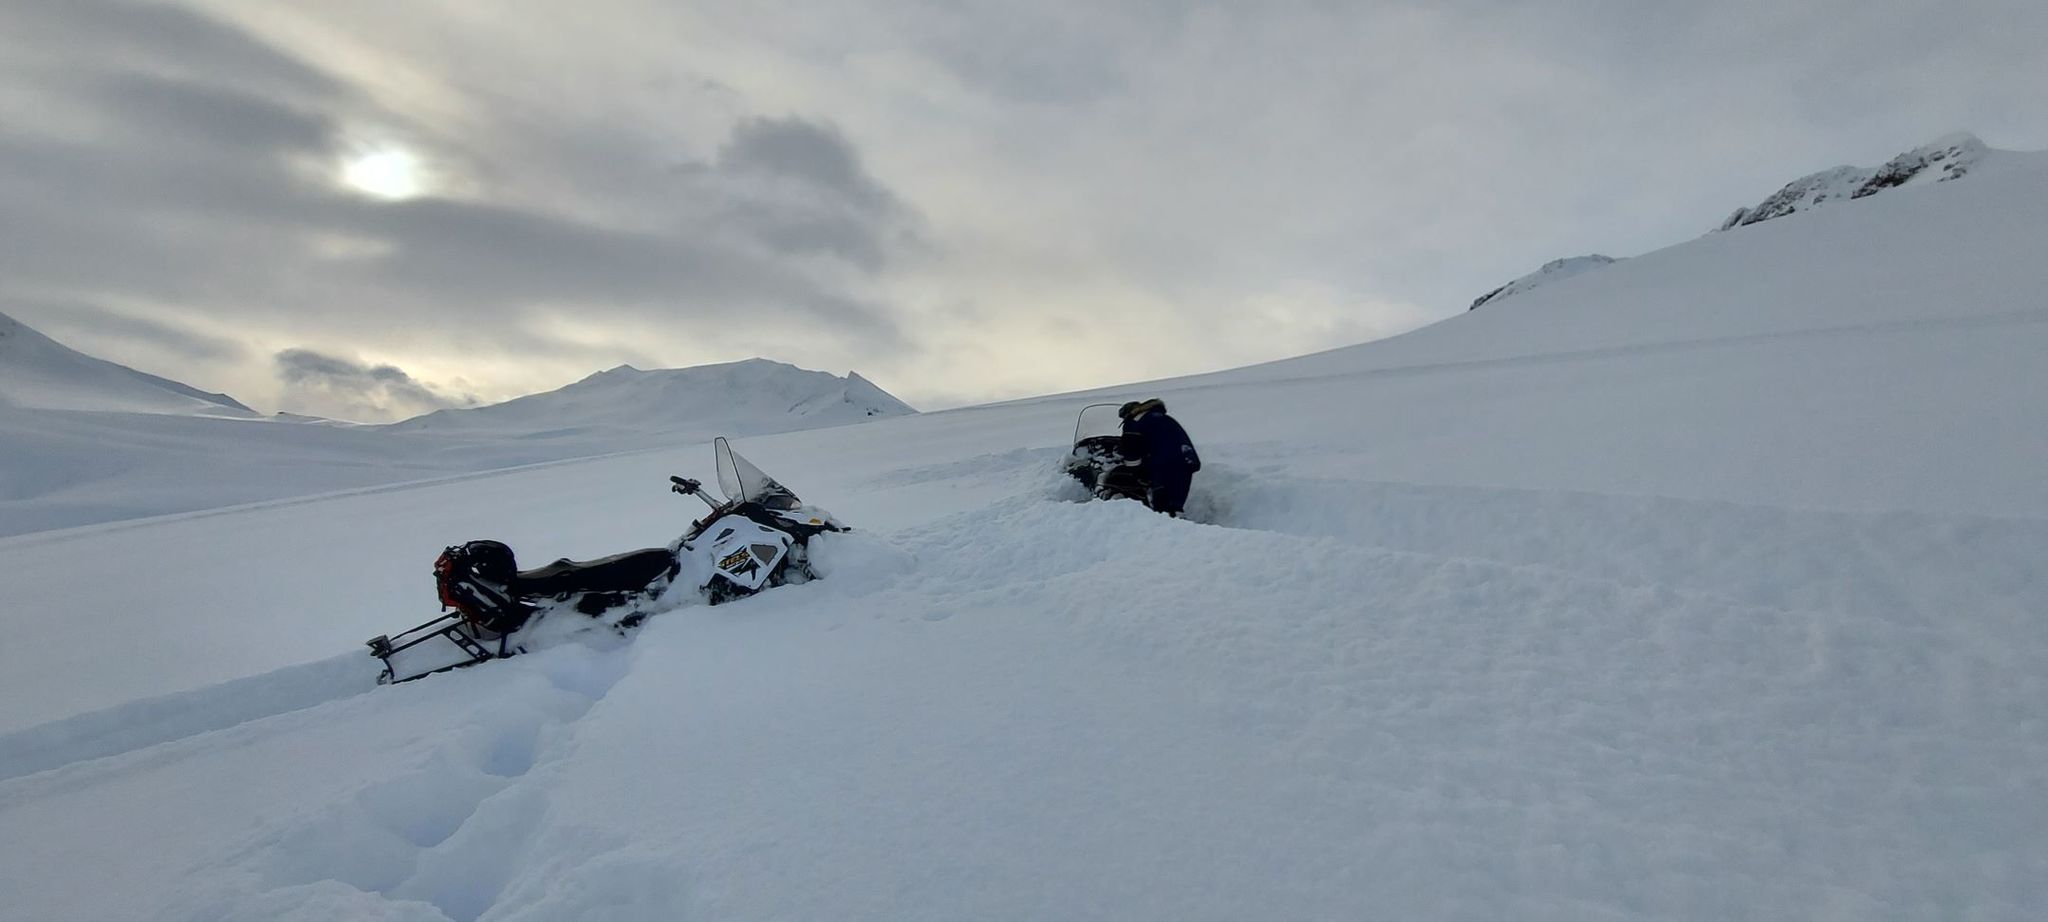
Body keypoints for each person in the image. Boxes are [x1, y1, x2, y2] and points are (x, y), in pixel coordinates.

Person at [1118, 398, 1200, 516]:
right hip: (1186, 462)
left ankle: (1167, 527)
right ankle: (1178, 523)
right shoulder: (1166, 419)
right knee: (1175, 504)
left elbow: (1131, 449)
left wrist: (1134, 472)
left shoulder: (1134, 421)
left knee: (1162, 506)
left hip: (1162, 465)